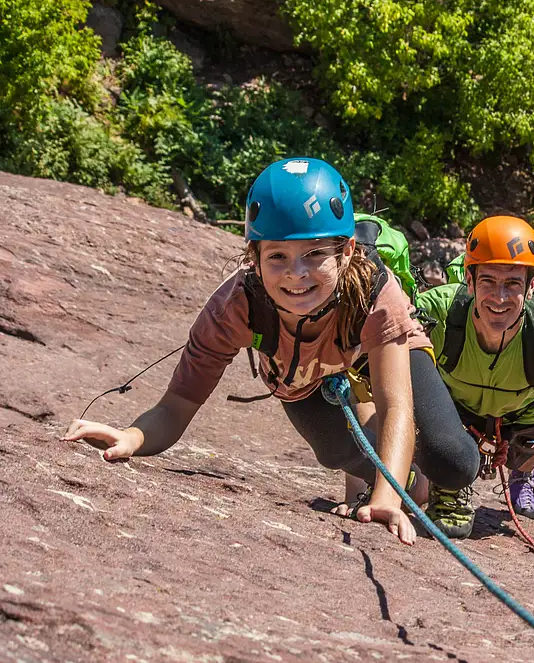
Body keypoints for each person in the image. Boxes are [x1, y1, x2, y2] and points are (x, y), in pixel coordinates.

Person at [62, 158, 480, 545]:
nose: (296, 274)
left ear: (347, 250)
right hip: (305, 378)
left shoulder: (375, 294)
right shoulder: (237, 307)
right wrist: (133, 436)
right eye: (277, 256)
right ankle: (413, 481)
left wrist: (386, 499)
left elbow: (396, 405)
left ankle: (424, 473)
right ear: (254, 258)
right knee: (335, 453)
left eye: (315, 254)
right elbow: (178, 403)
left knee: (453, 460)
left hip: (375, 348)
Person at [417, 216, 534, 566]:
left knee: (533, 448)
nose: (499, 297)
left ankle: (522, 473)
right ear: (468, 281)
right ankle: (456, 466)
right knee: (438, 460)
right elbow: (391, 389)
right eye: (488, 280)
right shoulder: (436, 315)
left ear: (532, 286)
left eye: (513, 284)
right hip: (457, 408)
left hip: (528, 412)